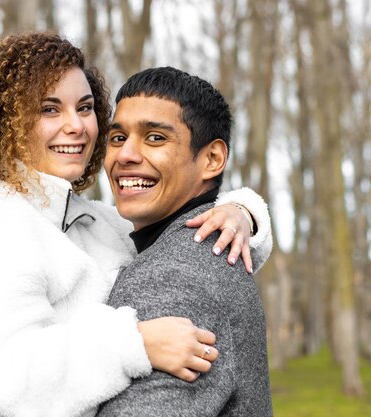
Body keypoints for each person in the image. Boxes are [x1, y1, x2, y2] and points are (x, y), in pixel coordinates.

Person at [0, 32, 272, 417]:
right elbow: (15, 384)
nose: (76, 126)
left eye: (85, 108)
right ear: (7, 124)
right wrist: (133, 344)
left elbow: (186, 250)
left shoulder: (94, 221)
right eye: (49, 110)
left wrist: (243, 210)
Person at [96, 67, 273, 417]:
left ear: (212, 159)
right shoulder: (207, 250)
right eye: (117, 138)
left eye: (155, 138)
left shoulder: (170, 276)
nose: (125, 155)